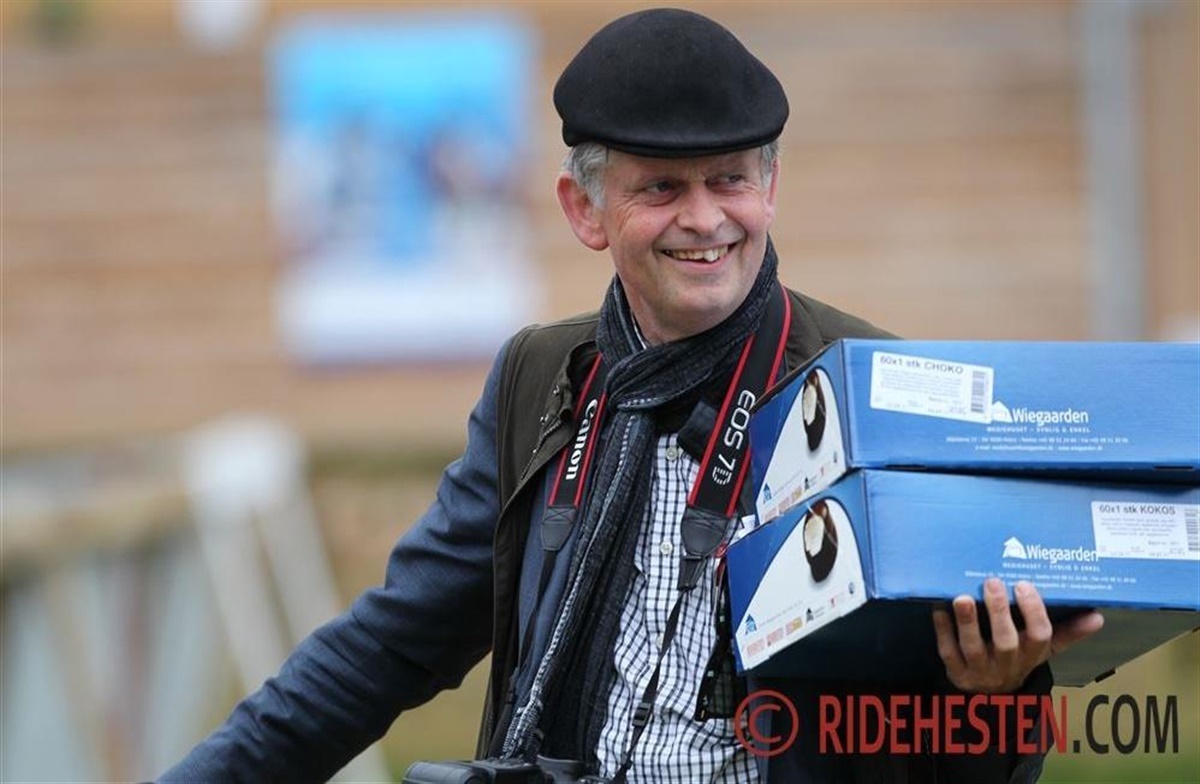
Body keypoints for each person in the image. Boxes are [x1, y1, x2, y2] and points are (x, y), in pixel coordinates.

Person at [161, 8, 1102, 783]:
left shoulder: (871, 391)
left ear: (770, 186)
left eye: (730, 179)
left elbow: (969, 755)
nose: (705, 217)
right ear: (585, 210)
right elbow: (384, 650)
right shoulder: (539, 378)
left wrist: (997, 695)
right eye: (661, 188)